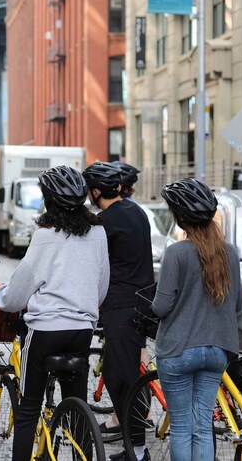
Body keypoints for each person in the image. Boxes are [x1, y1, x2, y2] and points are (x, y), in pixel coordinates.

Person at [0, 165, 110, 461]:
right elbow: (102, 285)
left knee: (29, 408)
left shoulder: (46, 234)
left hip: (46, 330)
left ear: (48, 200)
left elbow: (19, 290)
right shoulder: (98, 231)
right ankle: (81, 451)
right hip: (82, 329)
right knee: (76, 403)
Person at [152, 179, 242, 461]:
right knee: (202, 426)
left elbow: (162, 306)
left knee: (181, 428)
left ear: (180, 217)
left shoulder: (177, 253)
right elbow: (237, 305)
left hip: (178, 349)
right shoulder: (230, 253)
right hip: (217, 349)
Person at [83, 161, 154, 461]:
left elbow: (94, 267)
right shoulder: (137, 212)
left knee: (121, 379)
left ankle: (137, 452)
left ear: (97, 191)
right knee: (126, 375)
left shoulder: (104, 222)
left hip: (120, 308)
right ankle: (133, 446)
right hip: (143, 303)